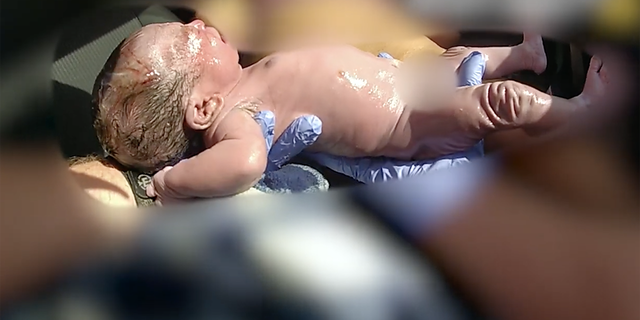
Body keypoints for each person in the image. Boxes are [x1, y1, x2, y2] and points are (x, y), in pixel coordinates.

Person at [92, 19, 606, 202]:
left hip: (403, 80)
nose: (199, 27)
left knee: (460, 61)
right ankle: (582, 112)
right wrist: (170, 182)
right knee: (500, 102)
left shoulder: (246, 80)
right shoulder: (238, 117)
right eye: (189, 41)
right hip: (408, 120)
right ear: (202, 106)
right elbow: (246, 163)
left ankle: (526, 56)